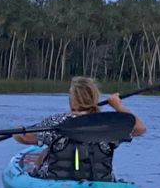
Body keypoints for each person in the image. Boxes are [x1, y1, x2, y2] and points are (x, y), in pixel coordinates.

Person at [13, 76, 146, 180]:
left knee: (49, 149)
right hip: (99, 183)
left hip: (56, 181)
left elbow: (24, 137)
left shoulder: (58, 122)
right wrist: (118, 107)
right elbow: (140, 129)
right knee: (48, 150)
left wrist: (17, 129)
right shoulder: (109, 124)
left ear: (73, 100)